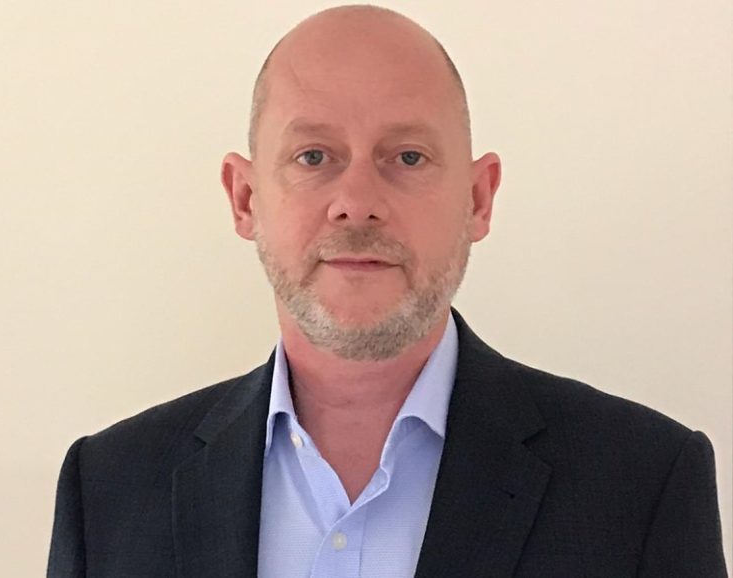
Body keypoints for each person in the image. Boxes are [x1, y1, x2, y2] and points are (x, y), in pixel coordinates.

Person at [47, 5, 727, 577]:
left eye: (407, 157)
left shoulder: (643, 484)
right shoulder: (108, 488)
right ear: (245, 197)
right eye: (314, 156)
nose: (357, 202)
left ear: (478, 198)